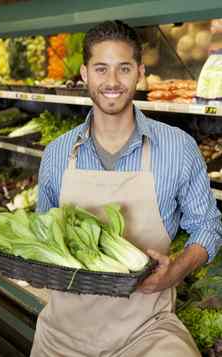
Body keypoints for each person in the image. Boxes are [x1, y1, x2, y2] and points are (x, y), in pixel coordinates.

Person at [30, 20, 222, 357]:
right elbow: (44, 234)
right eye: (101, 68)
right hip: (63, 333)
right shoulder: (57, 154)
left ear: (140, 73)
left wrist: (174, 271)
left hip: (147, 329)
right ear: (85, 74)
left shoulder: (178, 147)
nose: (112, 82)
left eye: (124, 68)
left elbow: (208, 225)